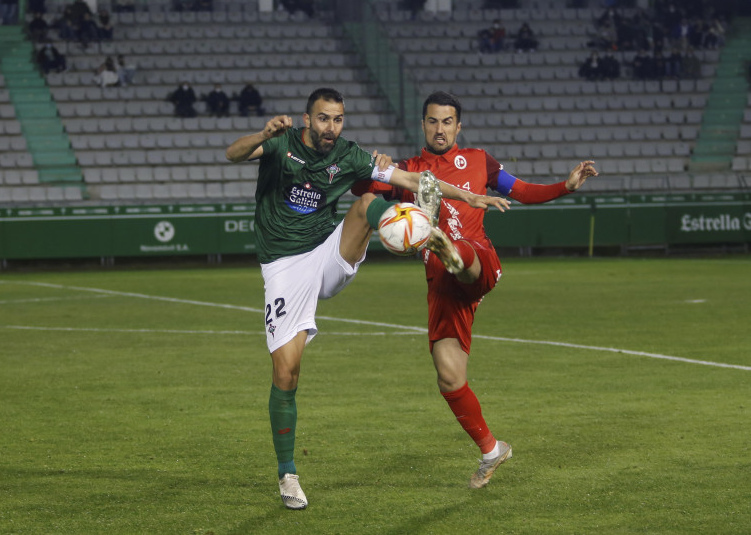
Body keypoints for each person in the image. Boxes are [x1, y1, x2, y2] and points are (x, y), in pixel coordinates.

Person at [224, 87, 510, 510]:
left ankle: (414, 232)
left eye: (338, 119)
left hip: (326, 253)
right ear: (307, 119)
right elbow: (233, 153)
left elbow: (412, 180)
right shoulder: (280, 143)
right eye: (323, 119)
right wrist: (260, 135)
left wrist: (467, 196)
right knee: (286, 372)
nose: (331, 127)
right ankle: (288, 474)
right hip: (284, 268)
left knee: (368, 201)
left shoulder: (348, 154)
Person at [353, 91, 597, 489]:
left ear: (458, 126)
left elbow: (520, 190)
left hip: (478, 260)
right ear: (423, 124)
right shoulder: (408, 171)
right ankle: (491, 449)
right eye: (432, 121)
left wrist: (565, 186)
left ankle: (446, 247)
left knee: (461, 253)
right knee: (449, 377)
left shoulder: (479, 162)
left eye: (447, 122)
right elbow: (360, 191)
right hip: (442, 288)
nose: (440, 129)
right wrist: (376, 168)